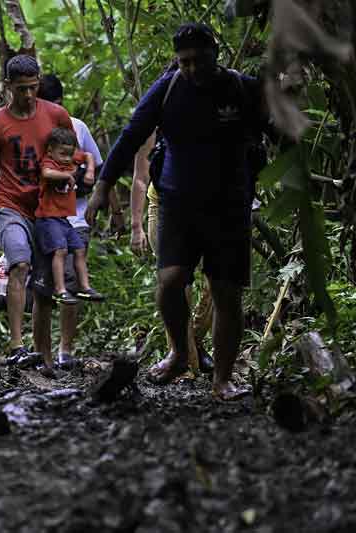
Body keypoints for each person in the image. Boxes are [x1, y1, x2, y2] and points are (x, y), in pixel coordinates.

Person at [87, 23, 268, 400]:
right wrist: (102, 187)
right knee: (170, 281)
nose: (190, 69)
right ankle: (178, 352)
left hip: (229, 206)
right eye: (183, 62)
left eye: (197, 60)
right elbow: (131, 135)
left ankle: (222, 379)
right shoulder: (168, 89)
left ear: (214, 53)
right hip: (176, 202)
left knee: (226, 293)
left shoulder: (241, 88)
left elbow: (278, 131)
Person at [0, 55, 73, 375]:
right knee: (19, 264)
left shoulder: (57, 116)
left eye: (34, 88)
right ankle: (17, 345)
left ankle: (40, 348)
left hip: (47, 208)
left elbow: (70, 157)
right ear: (8, 87)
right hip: (10, 204)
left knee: (44, 281)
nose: (29, 95)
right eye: (22, 89)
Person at [131, 129, 215, 374]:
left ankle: (193, 343)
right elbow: (139, 176)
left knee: (216, 280)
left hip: (208, 204)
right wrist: (136, 226)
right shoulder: (155, 121)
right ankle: (184, 362)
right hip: (164, 203)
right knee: (176, 283)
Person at [36, 127, 101, 305]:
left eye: (69, 154)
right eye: (62, 154)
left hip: (64, 220)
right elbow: (46, 173)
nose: (67, 158)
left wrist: (89, 172)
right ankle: (60, 289)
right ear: (50, 150)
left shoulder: (70, 157)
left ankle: (85, 287)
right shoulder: (49, 162)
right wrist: (67, 176)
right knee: (61, 250)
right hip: (48, 217)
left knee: (79, 250)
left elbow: (88, 155)